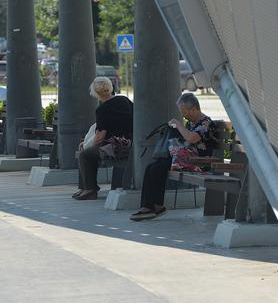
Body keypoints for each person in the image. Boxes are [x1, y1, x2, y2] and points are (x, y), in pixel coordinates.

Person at [130, 93, 217, 221]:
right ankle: (151, 206)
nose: (183, 115)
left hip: (198, 161)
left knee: (157, 169)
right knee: (151, 167)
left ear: (194, 109)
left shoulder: (206, 123)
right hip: (185, 158)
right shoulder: (192, 123)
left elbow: (192, 138)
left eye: (185, 112)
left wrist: (178, 124)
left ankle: (154, 207)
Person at [73, 77, 133, 200]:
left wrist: (87, 145)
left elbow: (100, 137)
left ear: (95, 94)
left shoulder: (102, 110)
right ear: (111, 88)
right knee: (88, 152)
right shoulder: (125, 100)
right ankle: (86, 188)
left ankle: (90, 189)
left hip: (116, 146)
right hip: (131, 143)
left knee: (85, 154)